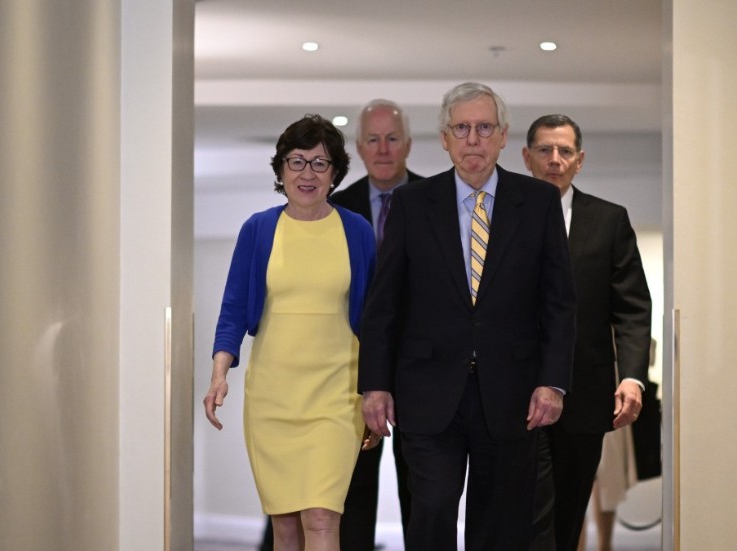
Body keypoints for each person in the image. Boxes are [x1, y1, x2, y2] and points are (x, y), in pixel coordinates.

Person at [358, 82, 577, 550]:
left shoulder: (538, 203)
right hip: (428, 391)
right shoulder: (412, 204)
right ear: (444, 138)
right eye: (462, 128)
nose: (473, 139)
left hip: (514, 394)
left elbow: (559, 302)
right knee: (432, 509)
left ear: (502, 137)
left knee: (500, 524)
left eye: (484, 128)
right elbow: (384, 303)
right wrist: (375, 383)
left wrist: (553, 381)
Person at [204, 114, 379, 551]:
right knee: (284, 525)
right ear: (281, 169)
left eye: (320, 164)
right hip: (273, 397)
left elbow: (377, 319)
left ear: (335, 174)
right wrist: (219, 373)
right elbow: (232, 311)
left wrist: (378, 389)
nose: (307, 173)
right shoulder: (259, 229)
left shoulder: (356, 230)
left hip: (337, 396)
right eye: (297, 162)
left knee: (321, 517)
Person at [522, 114, 653, 551]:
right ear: (526, 158)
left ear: (580, 161)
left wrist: (632, 376)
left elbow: (632, 307)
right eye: (544, 150)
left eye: (564, 152)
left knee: (567, 511)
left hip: (584, 394)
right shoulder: (501, 218)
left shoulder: (609, 220)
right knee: (524, 511)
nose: (554, 160)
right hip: (513, 393)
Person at [330, 99, 423, 550]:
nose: (383, 149)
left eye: (392, 138)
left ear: (407, 144)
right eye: (373, 139)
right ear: (359, 148)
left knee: (425, 498)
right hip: (351, 373)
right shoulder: (333, 209)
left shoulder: (439, 202)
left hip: (425, 374)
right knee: (352, 496)